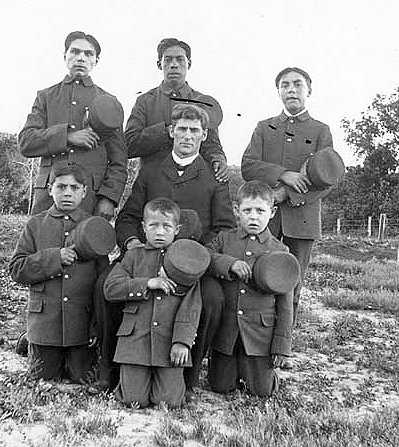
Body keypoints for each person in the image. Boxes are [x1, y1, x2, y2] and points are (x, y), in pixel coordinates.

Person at [115, 103, 235, 389]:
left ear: (204, 135)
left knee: (215, 299)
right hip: (146, 261)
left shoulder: (214, 177)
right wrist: (132, 244)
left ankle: (189, 374)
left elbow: (224, 227)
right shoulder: (150, 171)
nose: (187, 136)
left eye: (194, 131)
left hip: (194, 267)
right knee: (103, 287)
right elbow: (128, 217)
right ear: (171, 131)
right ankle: (111, 365)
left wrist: (198, 256)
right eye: (182, 129)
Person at [241, 67, 333, 341]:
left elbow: (327, 179)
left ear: (309, 90)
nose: (291, 90)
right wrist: (283, 175)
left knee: (291, 283)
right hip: (264, 219)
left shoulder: (320, 131)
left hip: (302, 221)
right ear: (278, 91)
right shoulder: (264, 127)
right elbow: (248, 165)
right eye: (284, 85)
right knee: (257, 276)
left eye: (297, 84)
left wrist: (286, 195)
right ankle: (254, 343)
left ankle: (282, 346)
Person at [9, 162, 105, 381]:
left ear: (84, 192)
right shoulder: (35, 224)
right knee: (42, 377)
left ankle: (33, 343)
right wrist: (54, 258)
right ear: (50, 189)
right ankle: (29, 340)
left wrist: (95, 326)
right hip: (45, 325)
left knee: (83, 377)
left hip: (80, 327)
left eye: (74, 187)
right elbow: (17, 269)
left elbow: (102, 283)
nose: (68, 193)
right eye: (61, 187)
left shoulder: (94, 227)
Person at [104, 198, 202, 408]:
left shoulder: (186, 261)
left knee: (168, 402)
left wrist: (182, 342)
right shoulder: (133, 256)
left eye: (166, 226)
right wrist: (147, 283)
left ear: (177, 229)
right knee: (133, 400)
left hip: (169, 342)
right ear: (143, 228)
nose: (159, 232)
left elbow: (192, 306)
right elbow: (110, 288)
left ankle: (173, 384)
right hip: (135, 341)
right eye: (153, 225)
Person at [19, 30, 127, 216]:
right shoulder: (46, 97)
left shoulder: (109, 103)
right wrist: (68, 137)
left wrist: (109, 197)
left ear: (96, 61)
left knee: (85, 244)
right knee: (44, 243)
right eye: (75, 52)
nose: (81, 58)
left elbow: (119, 160)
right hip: (48, 196)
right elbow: (26, 142)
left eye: (88, 54)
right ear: (65, 56)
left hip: (90, 198)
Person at [205, 181, 293, 397]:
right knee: (220, 387)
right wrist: (229, 264)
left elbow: (286, 305)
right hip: (227, 333)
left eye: (260, 211)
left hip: (260, 336)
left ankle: (261, 371)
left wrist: (281, 347)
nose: (254, 217)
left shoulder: (281, 251)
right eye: (247, 210)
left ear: (272, 212)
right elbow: (205, 258)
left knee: (262, 391)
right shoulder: (225, 239)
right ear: (237, 211)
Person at [125, 37, 229, 182]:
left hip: (193, 183)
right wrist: (166, 131)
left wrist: (219, 160)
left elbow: (212, 145)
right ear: (159, 64)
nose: (174, 65)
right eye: (167, 60)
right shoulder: (145, 101)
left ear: (189, 64)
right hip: (152, 184)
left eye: (180, 59)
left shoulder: (203, 102)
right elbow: (129, 145)